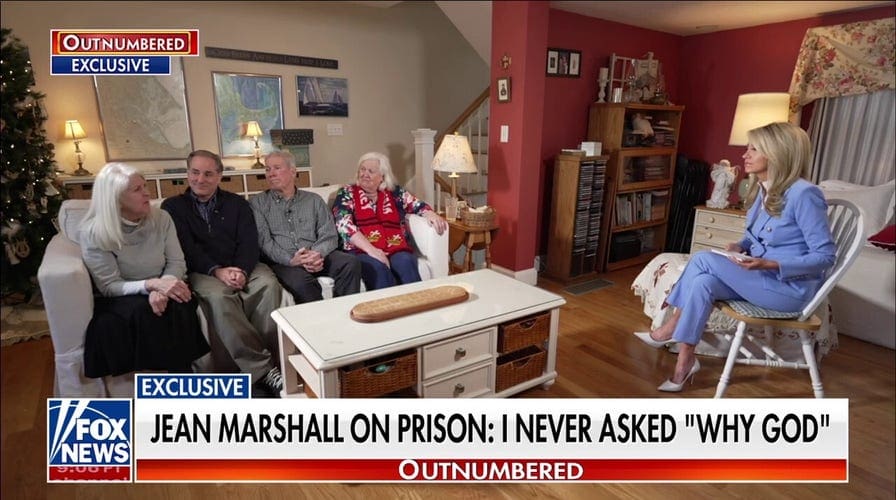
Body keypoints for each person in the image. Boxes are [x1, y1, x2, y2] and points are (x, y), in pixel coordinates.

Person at [634, 122, 836, 392]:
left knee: (703, 259)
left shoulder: (804, 194)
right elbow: (756, 237)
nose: (745, 155)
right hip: (763, 279)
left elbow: (825, 256)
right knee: (703, 282)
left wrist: (770, 263)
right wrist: (740, 245)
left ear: (777, 153)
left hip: (787, 289)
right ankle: (685, 361)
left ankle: (669, 328)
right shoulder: (763, 190)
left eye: (754, 149)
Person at [161, 150, 284, 397]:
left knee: (269, 285)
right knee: (219, 297)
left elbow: (249, 243)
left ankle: (277, 364)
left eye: (208, 174)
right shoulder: (172, 207)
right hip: (203, 270)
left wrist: (241, 270)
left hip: (242, 265)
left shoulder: (238, 203)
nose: (200, 179)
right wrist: (217, 271)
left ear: (219, 176)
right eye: (195, 172)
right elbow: (186, 248)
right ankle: (263, 369)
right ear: (187, 174)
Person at [79, 163, 209, 378]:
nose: (147, 193)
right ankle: (159, 383)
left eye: (145, 185)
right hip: (124, 293)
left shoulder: (162, 218)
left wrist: (164, 285)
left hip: (165, 283)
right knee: (144, 313)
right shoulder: (94, 232)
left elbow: (176, 262)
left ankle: (184, 381)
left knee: (180, 304)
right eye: (137, 189)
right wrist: (151, 285)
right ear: (116, 199)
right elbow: (109, 286)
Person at [250, 150, 361, 302]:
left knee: (350, 263)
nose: (271, 174)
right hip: (283, 262)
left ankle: (345, 310)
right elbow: (264, 242)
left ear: (293, 171)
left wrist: (316, 254)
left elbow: (329, 234)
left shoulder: (314, 200)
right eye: (267, 169)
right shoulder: (257, 203)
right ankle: (319, 317)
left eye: (277, 168)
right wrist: (291, 260)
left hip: (316, 255)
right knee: (302, 282)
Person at [332, 152, 447, 290]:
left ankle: (419, 300)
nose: (365, 174)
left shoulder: (395, 192)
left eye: (371, 171)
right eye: (362, 169)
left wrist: (429, 213)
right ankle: (388, 303)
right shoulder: (346, 193)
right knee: (378, 268)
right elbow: (344, 225)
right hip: (360, 251)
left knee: (406, 262)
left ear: (382, 177)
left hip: (395, 246)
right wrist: (372, 251)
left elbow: (415, 204)